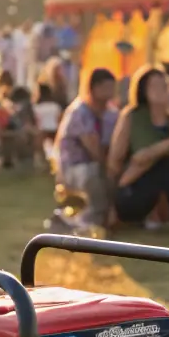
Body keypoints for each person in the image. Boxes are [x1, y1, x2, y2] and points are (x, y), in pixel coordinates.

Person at [107, 66, 169, 240]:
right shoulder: (132, 117)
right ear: (143, 90)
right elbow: (131, 159)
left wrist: (160, 151)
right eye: (156, 85)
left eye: (165, 85)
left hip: (163, 188)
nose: (163, 90)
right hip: (132, 190)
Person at [53, 67, 120, 229]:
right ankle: (84, 222)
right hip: (75, 168)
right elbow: (94, 148)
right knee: (94, 174)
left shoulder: (111, 114)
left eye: (112, 87)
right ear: (93, 88)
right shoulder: (79, 112)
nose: (110, 92)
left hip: (100, 163)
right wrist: (111, 167)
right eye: (105, 88)